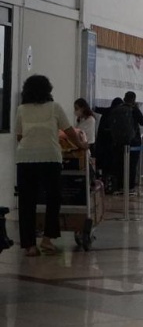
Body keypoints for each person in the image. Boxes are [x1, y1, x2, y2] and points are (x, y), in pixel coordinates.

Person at [15, 75, 88, 256]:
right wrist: (82, 146)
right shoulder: (55, 108)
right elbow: (70, 133)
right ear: (47, 90)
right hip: (50, 158)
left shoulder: (21, 109)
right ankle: (47, 239)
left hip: (25, 159)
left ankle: (29, 245)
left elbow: (19, 136)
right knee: (53, 199)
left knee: (26, 202)